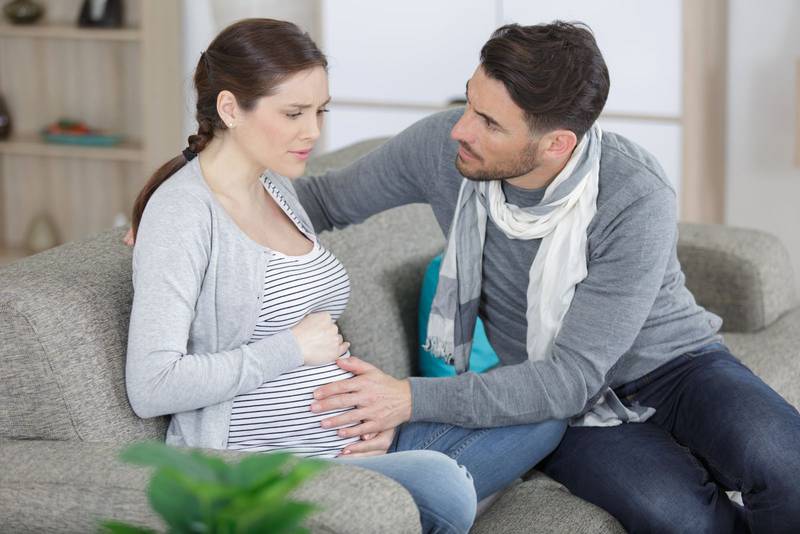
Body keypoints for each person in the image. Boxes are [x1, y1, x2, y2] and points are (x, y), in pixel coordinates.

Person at [292, 21, 800, 533]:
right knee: (680, 518)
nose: (460, 130)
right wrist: (238, 166)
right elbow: (321, 201)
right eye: (470, 102)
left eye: (490, 123)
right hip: (561, 402)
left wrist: (408, 397)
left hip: (674, 366)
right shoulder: (441, 149)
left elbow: (572, 375)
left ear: (557, 144)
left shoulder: (634, 193)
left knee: (788, 467)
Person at [125, 18, 481, 533]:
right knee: (443, 484)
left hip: (348, 448)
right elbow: (152, 385)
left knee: (532, 418)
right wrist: (293, 348)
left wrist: (373, 419)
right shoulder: (183, 213)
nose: (313, 131)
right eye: (294, 113)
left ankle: (406, 484)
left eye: (320, 111)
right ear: (230, 109)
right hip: (262, 468)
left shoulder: (276, 187)